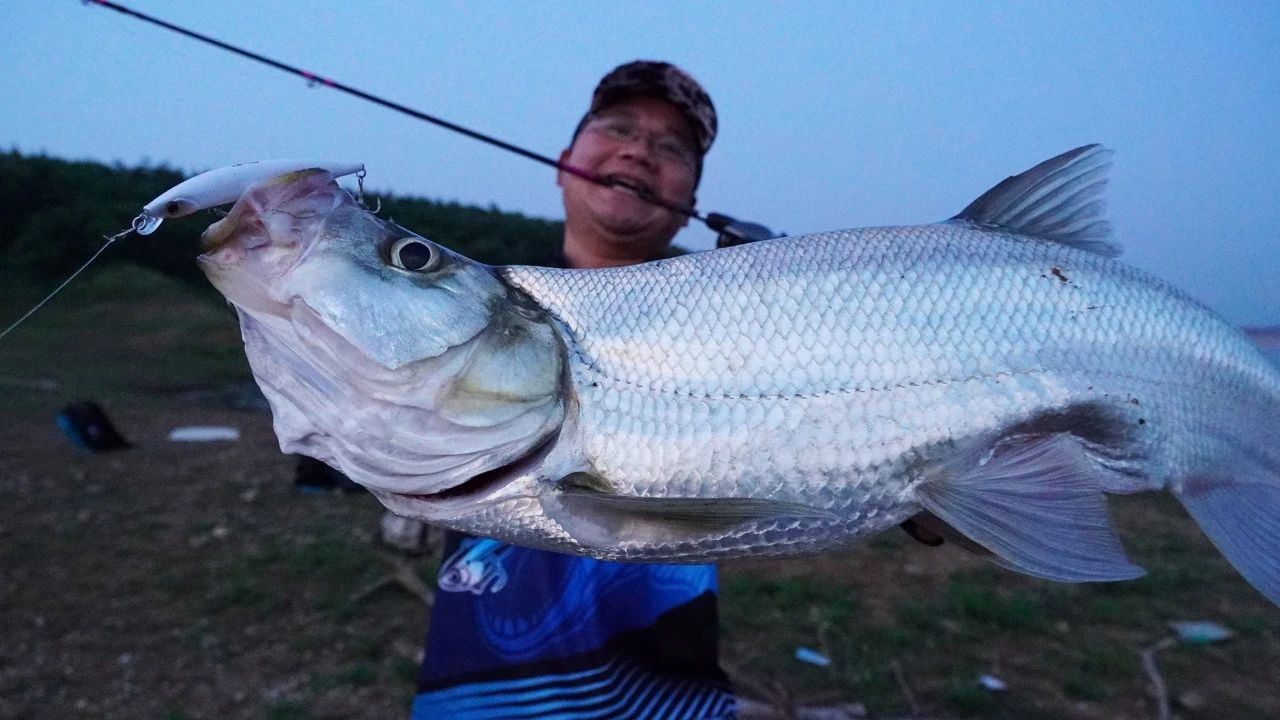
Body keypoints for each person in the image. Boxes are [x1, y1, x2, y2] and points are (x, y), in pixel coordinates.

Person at [410, 61, 737, 720]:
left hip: (662, 699)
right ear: (564, 163)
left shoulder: (731, 328)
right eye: (617, 126)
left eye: (673, 148)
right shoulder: (471, 312)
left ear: (690, 204)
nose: (639, 149)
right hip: (470, 696)